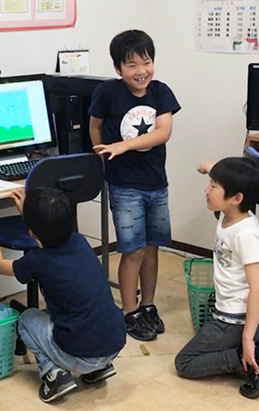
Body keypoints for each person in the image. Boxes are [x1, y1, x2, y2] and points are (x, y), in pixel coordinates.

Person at [0, 187, 126, 403]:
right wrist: (29, 215)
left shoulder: (38, 261)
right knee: (76, 312)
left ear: (31, 231)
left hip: (81, 355)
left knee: (26, 319)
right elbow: (47, 232)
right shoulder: (80, 241)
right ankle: (99, 369)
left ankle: (55, 375)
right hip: (113, 345)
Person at [88, 29, 181, 341]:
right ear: (118, 68)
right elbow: (95, 125)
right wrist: (102, 155)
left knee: (152, 247)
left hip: (157, 183)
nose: (141, 71)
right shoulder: (107, 92)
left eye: (147, 62)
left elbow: (163, 132)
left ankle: (148, 305)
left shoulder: (161, 92)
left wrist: (123, 145)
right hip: (125, 185)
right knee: (133, 251)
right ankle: (129, 311)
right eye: (132, 65)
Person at [174, 156, 259, 399]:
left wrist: (247, 337)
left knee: (185, 363)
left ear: (236, 198)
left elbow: (258, 287)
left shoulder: (246, 234)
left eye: (213, 186)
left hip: (236, 318)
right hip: (232, 311)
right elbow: (224, 178)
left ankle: (250, 355)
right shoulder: (228, 212)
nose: (206, 190)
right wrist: (207, 167)